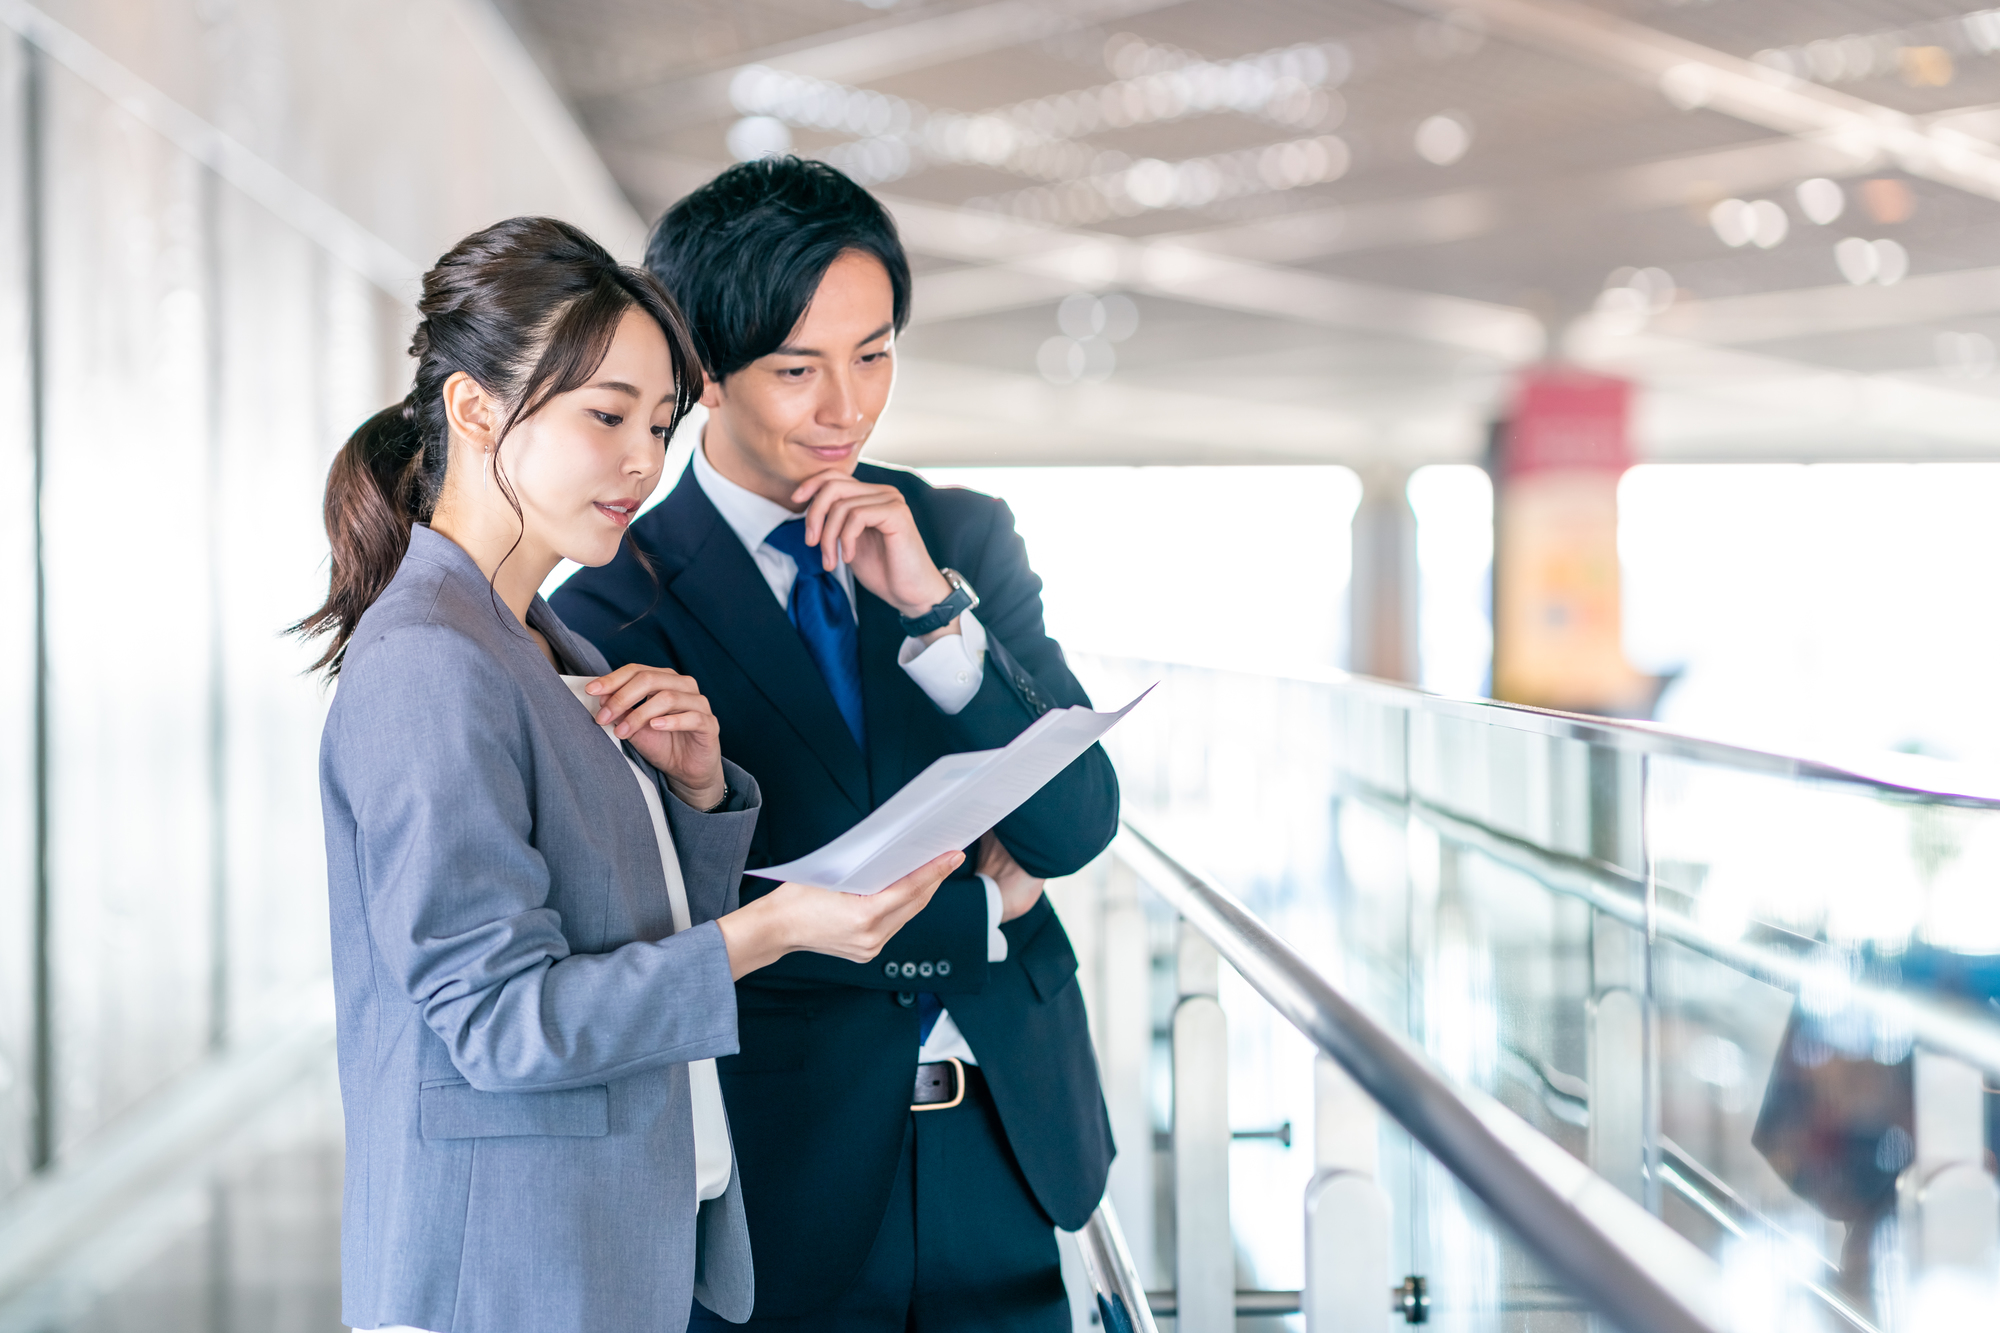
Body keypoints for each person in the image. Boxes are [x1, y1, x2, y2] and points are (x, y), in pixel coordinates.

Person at [299, 216, 960, 1333]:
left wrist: (695, 796)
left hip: (593, 1239)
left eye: (659, 423)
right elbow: (506, 1022)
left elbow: (618, 948)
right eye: (605, 416)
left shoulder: (540, 641)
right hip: (502, 1267)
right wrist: (775, 929)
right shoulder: (430, 660)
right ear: (473, 409)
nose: (644, 461)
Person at [551, 159, 1120, 1331]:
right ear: (703, 372)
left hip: (1007, 1147)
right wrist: (981, 913)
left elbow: (1071, 826)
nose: (846, 408)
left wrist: (932, 614)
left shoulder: (958, 536)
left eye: (873, 354)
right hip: (785, 1175)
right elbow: (668, 933)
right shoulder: (614, 604)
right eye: (797, 368)